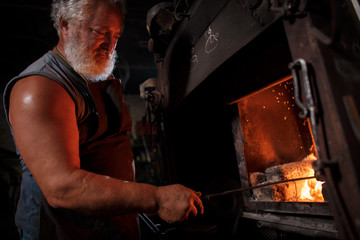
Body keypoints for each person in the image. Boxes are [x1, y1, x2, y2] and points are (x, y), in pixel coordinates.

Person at [3, 0, 203, 239]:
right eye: (100, 32)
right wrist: (156, 198)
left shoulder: (91, 74)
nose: (110, 45)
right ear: (65, 24)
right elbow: (62, 187)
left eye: (116, 35)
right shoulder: (40, 87)